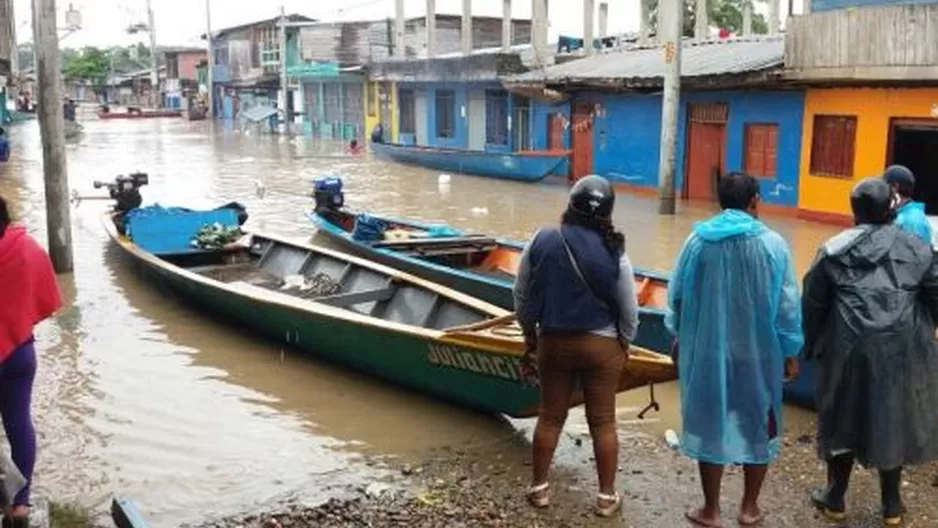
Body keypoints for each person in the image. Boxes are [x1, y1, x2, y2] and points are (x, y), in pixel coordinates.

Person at [666, 172, 802, 527]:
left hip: (708, 351)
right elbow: (787, 306)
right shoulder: (773, 245)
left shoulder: (697, 242)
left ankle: (711, 510)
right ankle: (749, 507)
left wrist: (680, 335)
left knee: (710, 423)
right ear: (755, 200)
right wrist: (790, 350)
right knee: (759, 421)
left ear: (719, 201)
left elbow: (678, 296)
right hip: (758, 354)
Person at [803, 177, 938, 527]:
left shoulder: (833, 249)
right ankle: (891, 505)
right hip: (901, 348)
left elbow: (813, 303)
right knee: (892, 415)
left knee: (841, 416)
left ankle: (835, 498)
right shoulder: (918, 248)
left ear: (854, 212)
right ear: (892, 207)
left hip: (846, 347)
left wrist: (812, 344)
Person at [513, 175, 639, 517]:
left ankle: (539, 490)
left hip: (554, 343)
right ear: (607, 214)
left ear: (570, 205)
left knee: (551, 418)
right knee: (603, 422)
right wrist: (624, 343)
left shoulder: (542, 239)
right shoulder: (616, 251)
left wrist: (529, 334)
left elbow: (521, 295)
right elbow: (630, 309)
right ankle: (606, 497)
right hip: (602, 347)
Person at [0, 196, 63, 527]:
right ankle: (20, 506)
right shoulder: (28, 249)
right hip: (19, 354)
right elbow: (46, 299)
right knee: (19, 426)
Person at [882, 164, 933, 245]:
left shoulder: (911, 220)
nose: (882, 190)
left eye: (884, 186)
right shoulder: (901, 214)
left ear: (895, 187)